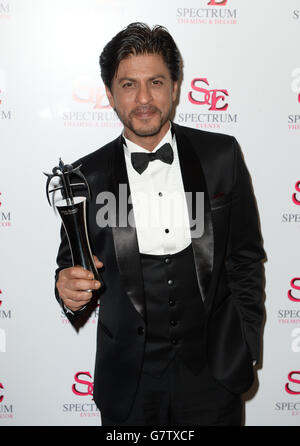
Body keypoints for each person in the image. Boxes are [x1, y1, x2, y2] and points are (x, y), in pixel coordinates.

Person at [55, 22, 266, 426]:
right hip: (129, 382)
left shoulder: (220, 156)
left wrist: (247, 340)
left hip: (214, 374)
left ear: (175, 87)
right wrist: (67, 289)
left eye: (155, 81)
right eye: (129, 85)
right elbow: (71, 269)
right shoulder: (88, 177)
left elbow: (246, 258)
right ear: (110, 95)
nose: (144, 98)